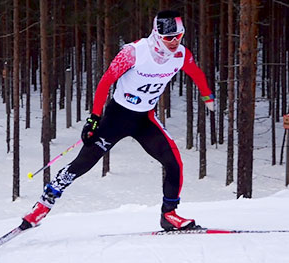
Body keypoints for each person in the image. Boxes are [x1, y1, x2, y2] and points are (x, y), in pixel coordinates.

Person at [20, 10, 214, 231]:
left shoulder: (181, 54)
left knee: (174, 163)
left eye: (179, 36)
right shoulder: (134, 52)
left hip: (145, 119)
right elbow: (105, 82)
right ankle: (42, 207)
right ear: (156, 34)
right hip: (117, 117)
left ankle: (169, 215)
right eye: (169, 37)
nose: (174, 42)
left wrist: (207, 95)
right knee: (82, 164)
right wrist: (93, 119)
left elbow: (196, 73)